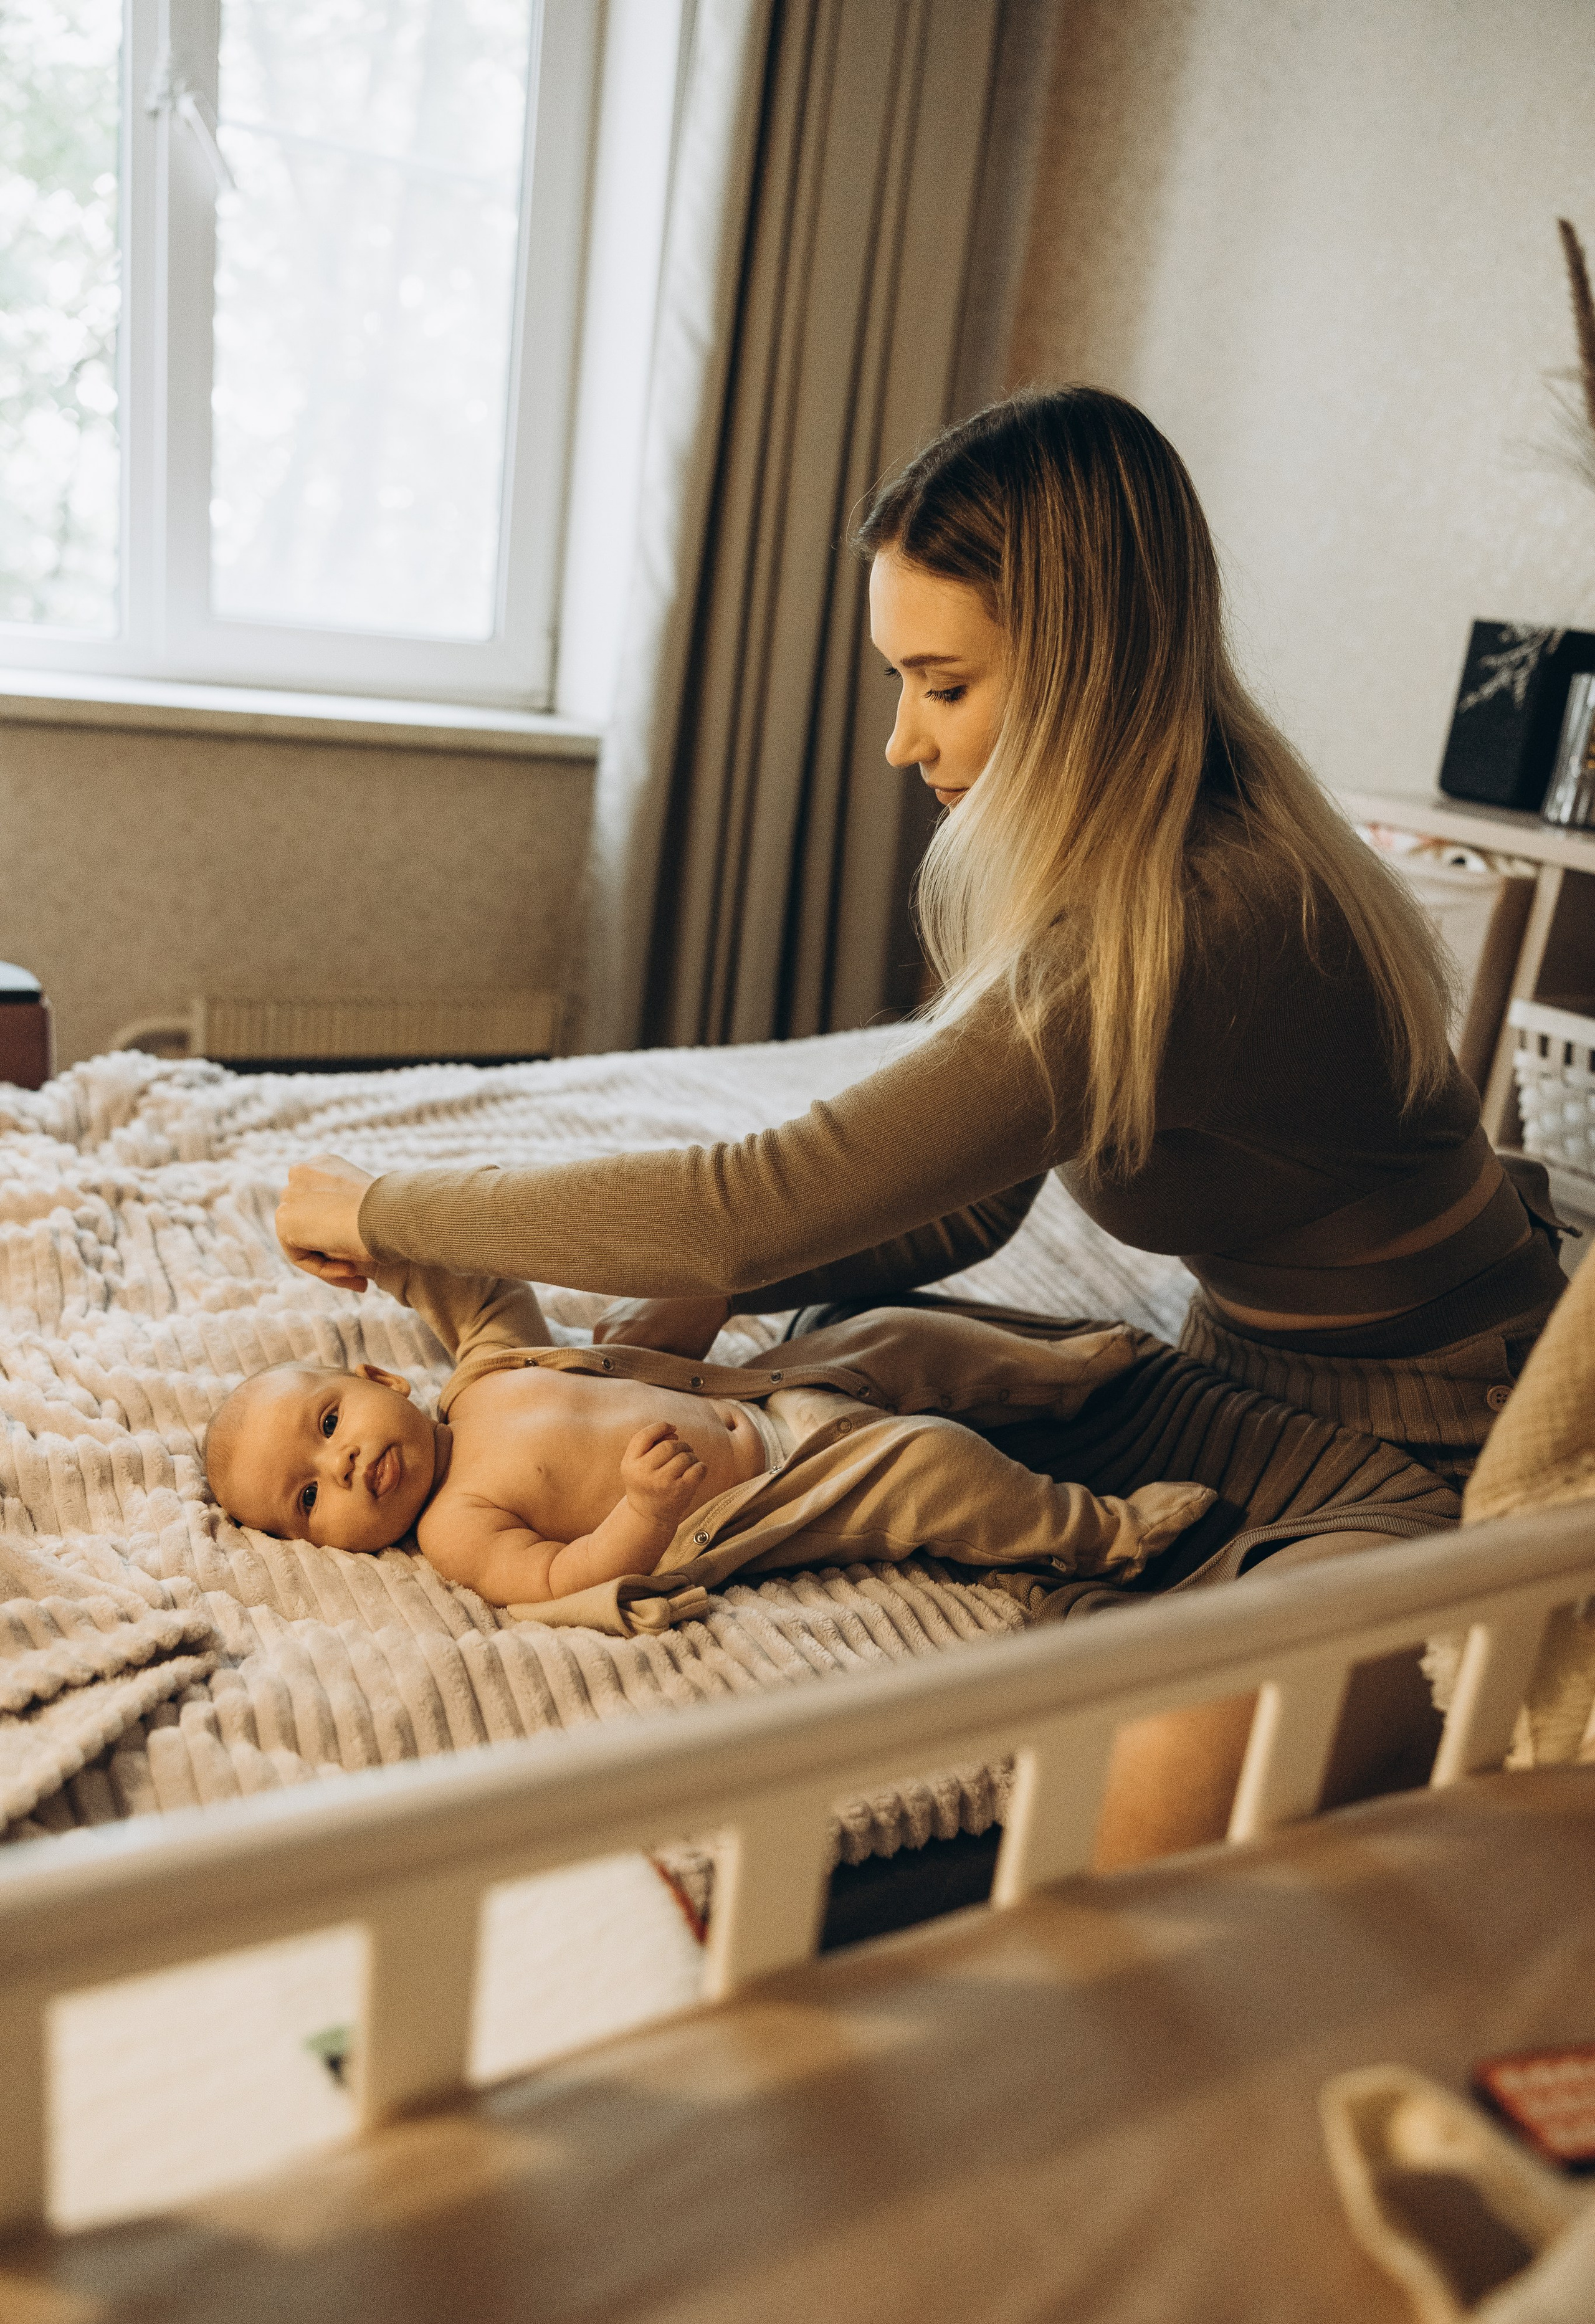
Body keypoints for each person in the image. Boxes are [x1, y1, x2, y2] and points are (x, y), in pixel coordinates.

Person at [273, 386, 1563, 1846]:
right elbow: (968, 1206)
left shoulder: (1202, 915)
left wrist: (387, 1211)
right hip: (1236, 1382)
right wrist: (710, 1298)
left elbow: (751, 1193)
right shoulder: (1095, 870)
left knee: (1160, 1772)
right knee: (843, 1394)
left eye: (941, 686)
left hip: (1442, 1437)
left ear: (1087, 675)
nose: (901, 741)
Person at [204, 1260, 1212, 1618]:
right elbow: (562, 1580)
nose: (340, 1466)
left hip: (770, 1383)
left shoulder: (485, 1375)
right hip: (791, 1486)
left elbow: (481, 1285)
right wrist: (643, 1511)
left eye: (330, 1424)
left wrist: (382, 1243)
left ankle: (1059, 1377)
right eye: (308, 1499)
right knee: (931, 1462)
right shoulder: (455, 1529)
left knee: (898, 1338)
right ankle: (1100, 1531)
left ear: (381, 1379)